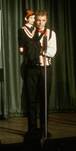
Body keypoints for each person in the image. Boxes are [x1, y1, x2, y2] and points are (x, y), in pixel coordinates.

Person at [24, 10, 57, 138]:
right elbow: (24, 50)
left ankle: (44, 129)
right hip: (31, 69)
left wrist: (38, 50)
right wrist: (41, 49)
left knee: (44, 100)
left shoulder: (51, 34)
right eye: (38, 20)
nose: (40, 23)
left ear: (46, 20)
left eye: (43, 20)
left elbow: (52, 52)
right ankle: (32, 130)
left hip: (45, 68)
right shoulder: (28, 31)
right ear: (34, 20)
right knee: (31, 100)